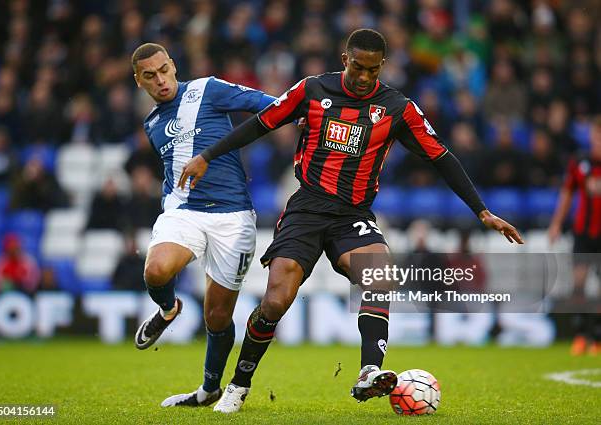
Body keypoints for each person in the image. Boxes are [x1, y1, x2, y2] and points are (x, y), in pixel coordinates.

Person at [178, 29, 524, 413]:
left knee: (380, 274)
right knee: (276, 300)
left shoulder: (396, 107)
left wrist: (482, 210)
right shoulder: (311, 90)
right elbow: (260, 123)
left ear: (382, 67)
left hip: (353, 215)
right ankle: (238, 387)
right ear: (345, 59)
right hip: (307, 208)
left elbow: (440, 156)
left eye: (372, 70)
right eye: (357, 67)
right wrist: (207, 155)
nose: (363, 77)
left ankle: (368, 371)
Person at [131, 42, 278, 407]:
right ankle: (169, 310)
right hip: (185, 212)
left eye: (164, 70)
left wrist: (305, 114)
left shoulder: (208, 88)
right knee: (156, 271)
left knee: (217, 315)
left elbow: (267, 104)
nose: (160, 80)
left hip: (233, 216)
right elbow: (171, 170)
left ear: (174, 66)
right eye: (150, 76)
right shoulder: (152, 124)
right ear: (139, 81)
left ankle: (209, 388)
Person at [548, 115, 601, 356]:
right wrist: (556, 224)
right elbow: (567, 194)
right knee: (578, 284)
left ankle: (598, 338)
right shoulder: (580, 162)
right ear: (592, 137)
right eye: (597, 136)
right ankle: (581, 335)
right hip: (583, 233)